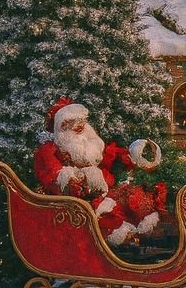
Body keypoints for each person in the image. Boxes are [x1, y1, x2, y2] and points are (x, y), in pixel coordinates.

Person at [33, 96, 164, 246]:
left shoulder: (92, 146)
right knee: (110, 216)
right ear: (62, 127)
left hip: (101, 192)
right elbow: (54, 178)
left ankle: (137, 237)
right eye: (74, 122)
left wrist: (129, 156)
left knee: (133, 196)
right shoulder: (49, 150)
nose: (81, 124)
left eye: (83, 120)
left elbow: (111, 157)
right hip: (76, 202)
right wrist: (82, 179)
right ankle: (118, 242)